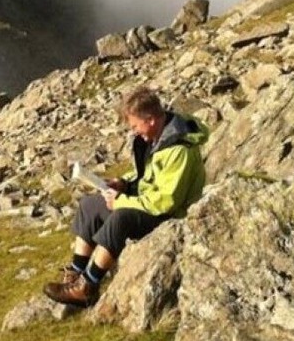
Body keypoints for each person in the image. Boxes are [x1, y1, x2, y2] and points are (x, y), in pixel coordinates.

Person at [44, 86, 209, 308]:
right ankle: (75, 273)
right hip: (149, 201)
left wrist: (121, 201)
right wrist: (124, 183)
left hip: (171, 215)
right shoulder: (158, 136)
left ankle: (87, 287)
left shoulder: (179, 149)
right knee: (90, 205)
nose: (134, 132)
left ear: (150, 120)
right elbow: (147, 175)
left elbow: (166, 202)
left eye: (134, 126)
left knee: (121, 217)